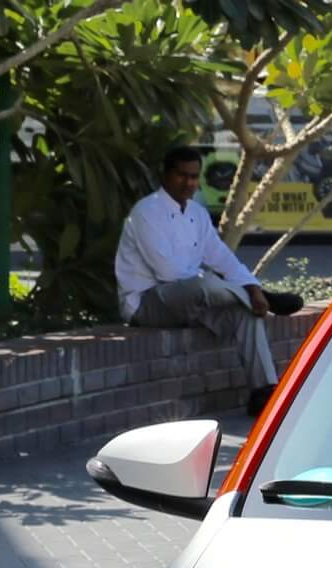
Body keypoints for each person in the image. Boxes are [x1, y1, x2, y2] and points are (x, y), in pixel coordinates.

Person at [115, 146, 303, 416]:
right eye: (182, 176)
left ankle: (263, 392)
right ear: (166, 175)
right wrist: (240, 288)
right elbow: (168, 274)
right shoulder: (145, 212)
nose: (189, 183)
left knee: (245, 313)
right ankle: (262, 296)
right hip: (148, 303)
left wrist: (251, 287)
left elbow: (221, 257)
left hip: (193, 301)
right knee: (205, 284)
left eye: (194, 177)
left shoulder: (197, 213)